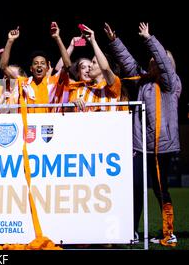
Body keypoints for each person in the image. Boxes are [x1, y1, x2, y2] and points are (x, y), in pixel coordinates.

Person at [106, 22, 181, 247]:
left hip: (162, 146)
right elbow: (128, 63)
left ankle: (169, 233)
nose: (154, 62)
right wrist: (114, 41)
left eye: (158, 60)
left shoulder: (170, 83)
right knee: (135, 187)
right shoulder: (144, 81)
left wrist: (149, 39)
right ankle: (132, 230)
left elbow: (165, 66)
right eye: (152, 61)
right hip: (141, 146)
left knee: (160, 190)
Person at [0, 22, 72, 113]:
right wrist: (10, 41)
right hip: (29, 126)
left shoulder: (54, 82)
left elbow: (68, 65)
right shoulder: (24, 83)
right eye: (36, 63)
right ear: (31, 68)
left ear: (47, 68)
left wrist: (57, 38)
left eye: (42, 63)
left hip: (51, 125)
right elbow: (3, 67)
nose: (39, 65)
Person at [70, 24, 123, 112]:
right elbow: (67, 112)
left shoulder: (114, 87)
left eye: (94, 62)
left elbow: (105, 68)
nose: (89, 65)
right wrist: (73, 104)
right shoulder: (80, 90)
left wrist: (93, 41)